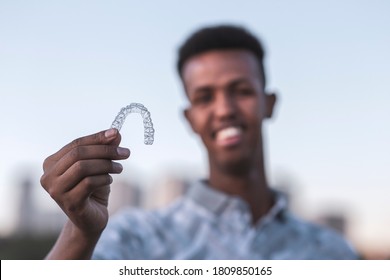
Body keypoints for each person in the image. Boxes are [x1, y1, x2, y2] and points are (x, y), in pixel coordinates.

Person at [40, 24, 358, 259]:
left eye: (241, 91)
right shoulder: (135, 238)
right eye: (205, 97)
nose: (224, 110)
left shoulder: (332, 252)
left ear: (269, 103)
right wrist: (80, 232)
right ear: (190, 119)